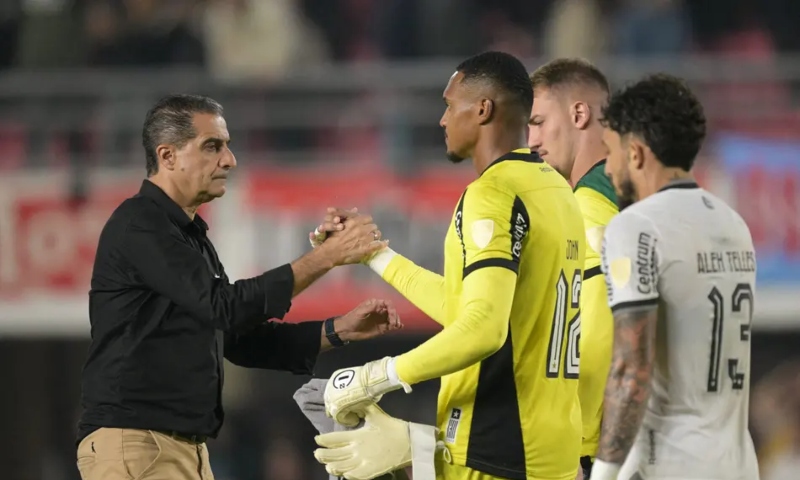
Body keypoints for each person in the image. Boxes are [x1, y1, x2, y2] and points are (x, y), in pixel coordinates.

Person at [76, 94, 402, 480]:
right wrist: (326, 257)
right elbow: (225, 307)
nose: (229, 159)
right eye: (212, 146)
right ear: (167, 156)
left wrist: (337, 331)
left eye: (226, 146)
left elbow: (237, 338)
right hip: (137, 444)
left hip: (175, 449)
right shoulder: (140, 224)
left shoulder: (188, 236)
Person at [313, 51, 587, 480]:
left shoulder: (493, 193)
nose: (442, 120)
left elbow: (481, 328)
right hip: (552, 452)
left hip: (497, 450)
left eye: (448, 104)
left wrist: (376, 376)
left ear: (482, 109)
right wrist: (376, 256)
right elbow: (475, 309)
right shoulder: (557, 190)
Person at [591, 74, 760, 480]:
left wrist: (603, 473)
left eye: (610, 151)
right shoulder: (733, 223)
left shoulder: (636, 227)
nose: (608, 167)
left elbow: (632, 372)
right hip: (739, 464)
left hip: (672, 464)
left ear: (636, 153)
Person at [528, 58, 616, 478]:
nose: (531, 140)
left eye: (539, 121)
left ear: (579, 114)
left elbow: (596, 341)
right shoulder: (641, 192)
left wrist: (582, 451)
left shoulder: (584, 211)